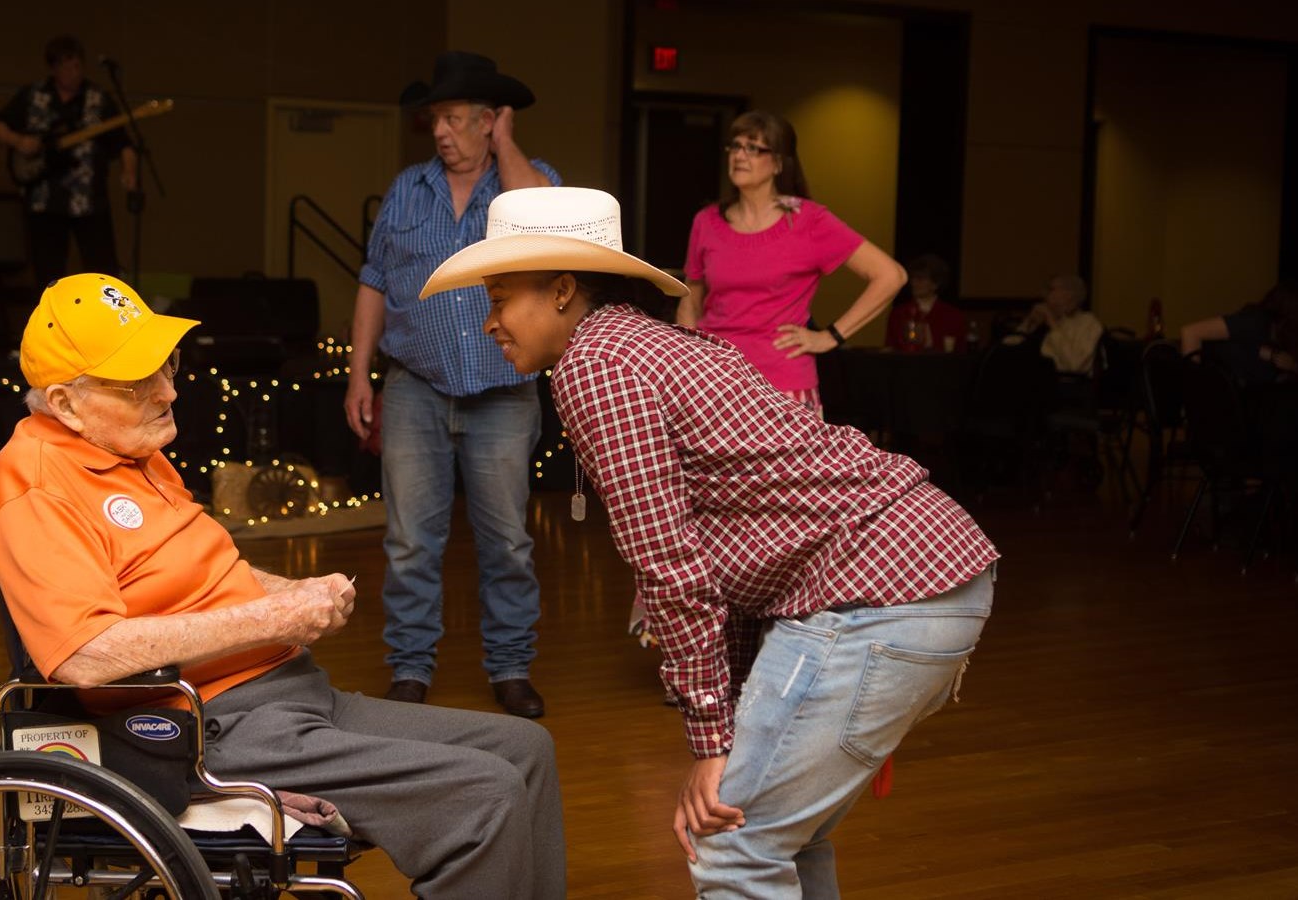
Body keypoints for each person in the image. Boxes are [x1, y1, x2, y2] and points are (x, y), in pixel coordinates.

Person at [423, 186, 997, 898]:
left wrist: (711, 741)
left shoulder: (596, 367)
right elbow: (734, 544)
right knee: (781, 837)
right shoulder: (644, 341)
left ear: (563, 289)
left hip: (878, 593)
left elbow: (669, 564)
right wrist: (727, 717)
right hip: (918, 572)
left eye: (501, 296)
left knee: (732, 844)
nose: (488, 322)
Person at [0, 273, 566, 900]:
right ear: (65, 403)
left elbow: (194, 573)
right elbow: (83, 655)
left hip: (290, 693)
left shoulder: (130, 450)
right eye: (136, 382)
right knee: (481, 794)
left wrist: (291, 590)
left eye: (166, 366)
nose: (167, 391)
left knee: (525, 749)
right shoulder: (36, 486)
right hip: (211, 726)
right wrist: (276, 620)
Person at [342, 51, 560, 717]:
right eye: (436, 118)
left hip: (502, 392)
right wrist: (359, 376)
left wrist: (508, 147)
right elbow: (374, 281)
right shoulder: (408, 189)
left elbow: (549, 224)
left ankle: (511, 669)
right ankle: (410, 669)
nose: (440, 131)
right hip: (414, 388)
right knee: (410, 543)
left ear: (492, 121)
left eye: (457, 118)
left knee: (507, 543)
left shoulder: (529, 184)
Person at [674, 110, 906, 415]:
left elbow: (891, 276)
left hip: (783, 385)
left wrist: (829, 337)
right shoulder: (706, 221)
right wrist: (689, 366)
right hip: (716, 383)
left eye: (754, 148)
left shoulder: (809, 220)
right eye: (735, 146)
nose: (740, 155)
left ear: (779, 163)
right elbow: (691, 300)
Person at [0, 34, 137, 288]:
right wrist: (19, 141)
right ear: (54, 68)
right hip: (45, 199)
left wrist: (129, 172)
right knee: (48, 271)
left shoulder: (98, 99)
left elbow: (123, 142)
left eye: (78, 66)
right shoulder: (34, 96)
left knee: (103, 270)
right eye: (66, 67)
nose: (73, 73)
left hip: (89, 199)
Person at [1179, 281, 1298, 385]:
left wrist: (1293, 366)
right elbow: (1191, 332)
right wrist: (1195, 400)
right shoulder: (1254, 321)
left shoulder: (1286, 340)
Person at [1004, 274, 1103, 375]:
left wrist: (1052, 323)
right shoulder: (1041, 320)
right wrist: (1029, 323)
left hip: (1065, 385)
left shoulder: (1088, 323)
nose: (1043, 294)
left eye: (1050, 289)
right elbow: (1006, 349)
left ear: (1069, 294)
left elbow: (1075, 364)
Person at [884, 253, 968, 353]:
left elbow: (961, 352)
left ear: (935, 284)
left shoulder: (953, 316)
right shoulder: (898, 313)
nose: (913, 283)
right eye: (913, 278)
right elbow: (890, 348)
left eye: (920, 279)